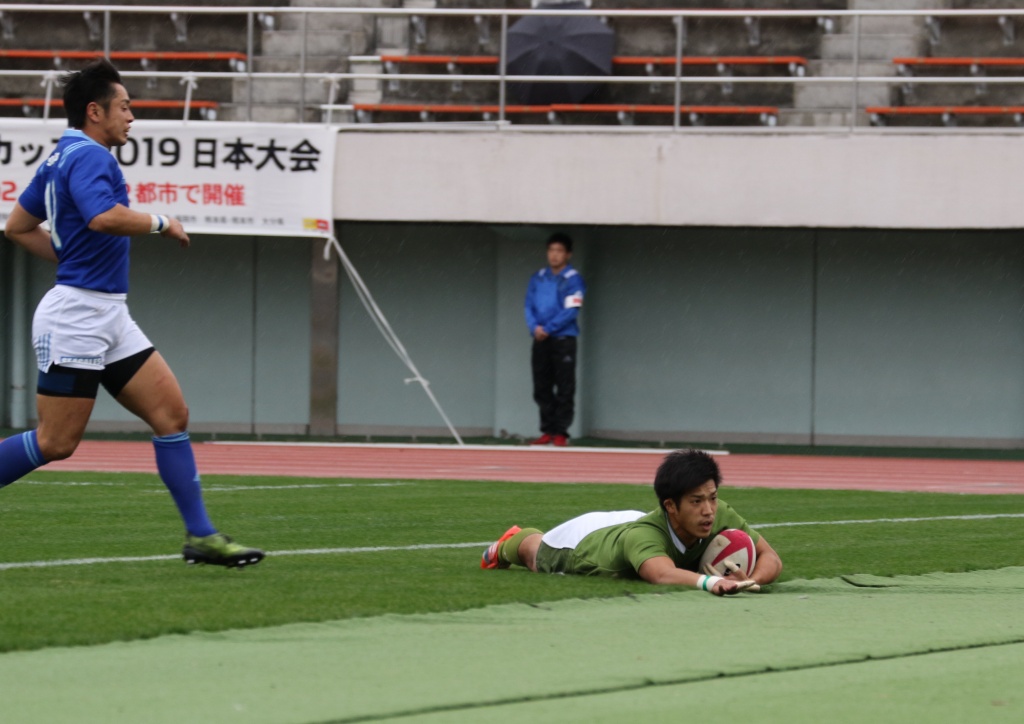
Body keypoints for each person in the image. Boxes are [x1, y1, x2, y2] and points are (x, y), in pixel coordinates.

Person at [0, 59, 263, 568]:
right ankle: (202, 535)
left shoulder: (60, 157)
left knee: (171, 416)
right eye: (124, 107)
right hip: (76, 315)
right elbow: (103, 217)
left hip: (108, 315)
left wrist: (70, 254)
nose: (132, 117)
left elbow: (16, 225)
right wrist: (161, 221)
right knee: (57, 443)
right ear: (95, 112)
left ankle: (202, 537)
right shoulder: (91, 157)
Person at [480, 448, 782, 596]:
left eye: (712, 497)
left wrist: (751, 580)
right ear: (671, 506)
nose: (709, 510)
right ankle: (513, 541)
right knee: (536, 554)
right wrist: (715, 583)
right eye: (696, 501)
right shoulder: (643, 537)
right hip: (580, 543)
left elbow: (771, 557)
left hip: (630, 523)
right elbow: (661, 575)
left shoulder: (717, 512)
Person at [524, 232, 586, 447]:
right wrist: (535, 328)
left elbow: (572, 309)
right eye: (551, 250)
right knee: (541, 386)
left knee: (564, 386)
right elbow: (528, 306)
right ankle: (547, 430)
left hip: (563, 339)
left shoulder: (573, 279)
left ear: (568, 254)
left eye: (559, 251)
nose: (554, 255)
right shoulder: (538, 277)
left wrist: (549, 329)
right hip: (540, 339)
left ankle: (561, 432)